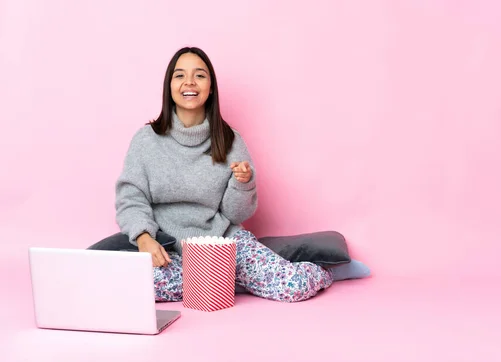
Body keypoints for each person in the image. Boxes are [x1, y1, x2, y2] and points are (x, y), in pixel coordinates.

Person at [87, 46, 339, 303]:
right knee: (130, 285)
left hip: (222, 244)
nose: (189, 82)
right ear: (169, 86)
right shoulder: (146, 140)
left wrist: (243, 184)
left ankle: (326, 271)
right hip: (169, 248)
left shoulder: (229, 140)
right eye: (179, 75)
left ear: (210, 87)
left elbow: (236, 215)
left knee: (293, 287)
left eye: (199, 75)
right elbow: (131, 198)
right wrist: (143, 238)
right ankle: (230, 281)